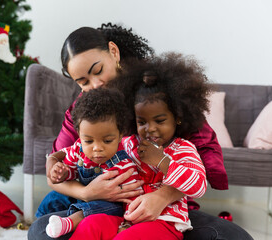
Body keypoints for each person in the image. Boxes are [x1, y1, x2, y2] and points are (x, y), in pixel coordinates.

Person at [28, 23, 253, 240]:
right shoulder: (84, 108)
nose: (94, 85)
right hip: (102, 209)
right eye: (83, 81)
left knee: (234, 236)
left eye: (98, 71)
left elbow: (200, 164)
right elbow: (61, 163)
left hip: (164, 208)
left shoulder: (155, 91)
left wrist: (162, 196)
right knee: (39, 230)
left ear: (113, 52)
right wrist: (88, 193)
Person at [70, 54, 208, 240]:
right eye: (141, 121)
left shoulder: (182, 148)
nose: (150, 128)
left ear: (178, 117)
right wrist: (60, 161)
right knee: (91, 225)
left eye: (160, 120)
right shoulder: (129, 143)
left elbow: (198, 185)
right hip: (125, 220)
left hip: (165, 225)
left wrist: (161, 161)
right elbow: (95, 150)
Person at [44, 88, 143, 238]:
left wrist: (128, 224)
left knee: (99, 207)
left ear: (120, 134)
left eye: (107, 141)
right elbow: (71, 170)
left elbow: (132, 196)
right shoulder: (77, 149)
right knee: (53, 198)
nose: (97, 148)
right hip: (82, 195)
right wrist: (62, 172)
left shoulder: (124, 163)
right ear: (79, 133)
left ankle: (70, 222)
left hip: (110, 206)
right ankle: (42, 221)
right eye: (89, 141)